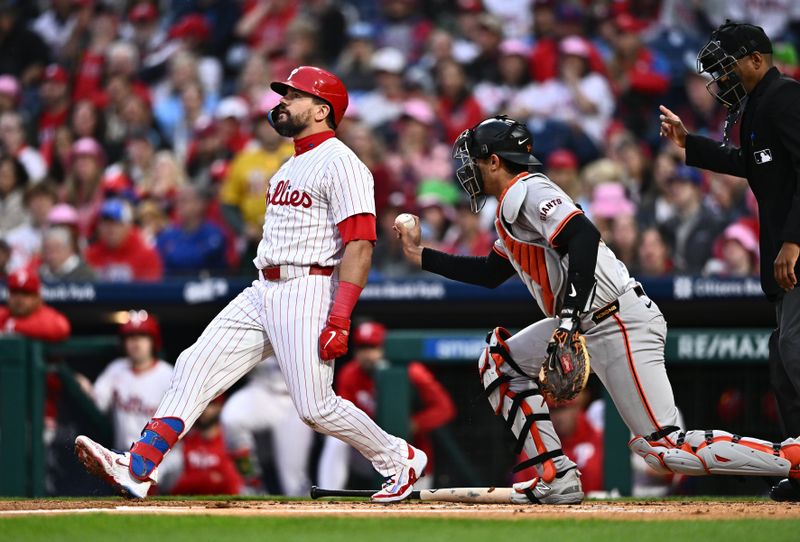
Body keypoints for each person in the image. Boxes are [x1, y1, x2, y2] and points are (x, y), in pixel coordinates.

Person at [395, 115, 800, 504]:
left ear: (496, 161)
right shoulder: (510, 209)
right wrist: (421, 256)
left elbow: (583, 236)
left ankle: (792, 458)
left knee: (664, 450)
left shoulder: (529, 188)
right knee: (499, 363)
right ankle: (555, 475)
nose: (471, 169)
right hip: (588, 320)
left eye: (477, 160)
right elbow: (489, 272)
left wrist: (568, 318)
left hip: (616, 318)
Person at [75, 66, 427, 503]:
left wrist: (340, 316)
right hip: (264, 287)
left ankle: (399, 458)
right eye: (283, 95)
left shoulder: (344, 164)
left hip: (308, 287)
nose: (281, 102)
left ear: (322, 110)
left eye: (293, 96)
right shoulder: (286, 169)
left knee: (316, 408)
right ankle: (139, 466)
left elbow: (360, 244)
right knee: (194, 365)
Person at [658, 21, 800, 501]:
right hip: (783, 258)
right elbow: (750, 163)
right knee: (783, 363)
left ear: (757, 60)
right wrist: (688, 143)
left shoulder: (786, 99)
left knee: (797, 355)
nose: (722, 79)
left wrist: (795, 241)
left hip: (797, 254)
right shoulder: (760, 106)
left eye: (728, 67)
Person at [317, 321, 456, 490]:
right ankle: (329, 492)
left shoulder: (412, 372)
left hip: (409, 449)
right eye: (362, 348)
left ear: (385, 348)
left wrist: (415, 424)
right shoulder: (350, 374)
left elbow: (445, 408)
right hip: (369, 451)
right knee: (336, 439)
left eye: (373, 347)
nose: (367, 354)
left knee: (417, 504)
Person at [85, 311, 180, 491]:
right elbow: (97, 403)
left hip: (164, 459)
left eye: (142, 336)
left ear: (153, 341)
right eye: (131, 337)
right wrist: (83, 387)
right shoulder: (116, 369)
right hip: (124, 457)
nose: (136, 342)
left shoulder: (169, 374)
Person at [220, 356, 314, 496]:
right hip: (262, 391)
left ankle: (309, 511)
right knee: (232, 418)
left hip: (297, 400)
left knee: (293, 481)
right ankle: (253, 483)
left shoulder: (309, 333)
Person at [171, 397, 243, 496]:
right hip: (188, 504)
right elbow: (172, 486)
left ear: (220, 407)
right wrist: (208, 479)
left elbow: (236, 485)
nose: (205, 409)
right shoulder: (183, 439)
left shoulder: (231, 439)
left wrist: (194, 479)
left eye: (210, 404)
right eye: (202, 404)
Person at [85, 199, 163, 282]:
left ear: (128, 226)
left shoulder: (146, 255)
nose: (110, 228)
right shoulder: (90, 255)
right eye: (105, 223)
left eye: (116, 223)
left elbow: (151, 291)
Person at [0, 269, 70, 342]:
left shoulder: (47, 316)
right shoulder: (3, 315)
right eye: (15, 293)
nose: (19, 299)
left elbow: (61, 328)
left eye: (26, 294)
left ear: (37, 298)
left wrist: (14, 326)